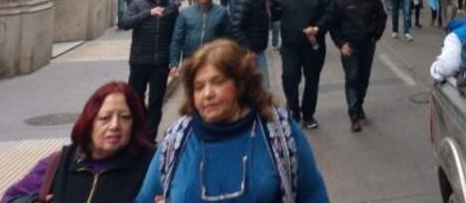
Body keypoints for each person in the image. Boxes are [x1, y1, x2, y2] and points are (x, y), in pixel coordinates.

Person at [136, 39, 329, 202]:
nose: (208, 94)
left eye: (218, 82)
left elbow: (313, 193)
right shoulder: (175, 142)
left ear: (240, 83)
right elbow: (145, 198)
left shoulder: (280, 131)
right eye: (199, 86)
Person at [2, 82, 154, 203]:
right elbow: (9, 198)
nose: (115, 125)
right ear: (89, 123)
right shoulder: (59, 163)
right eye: (105, 118)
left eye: (125, 117)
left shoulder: (152, 165)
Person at [274, 0, 335, 128]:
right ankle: (293, 109)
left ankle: (308, 114)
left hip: (313, 45)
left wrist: (318, 28)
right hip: (290, 45)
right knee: (289, 76)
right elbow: (274, 12)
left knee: (312, 80)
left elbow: (331, 12)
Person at [327, 0, 386, 132]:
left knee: (363, 79)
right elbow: (334, 25)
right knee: (352, 78)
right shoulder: (340, 1)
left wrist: (376, 35)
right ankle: (353, 115)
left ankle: (359, 105)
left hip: (367, 45)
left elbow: (381, 16)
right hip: (349, 47)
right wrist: (341, 44)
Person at [120, 0, 178, 140]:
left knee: (156, 103)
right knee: (135, 101)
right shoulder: (138, 5)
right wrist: (149, 13)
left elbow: (176, 36)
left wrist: (174, 62)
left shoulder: (171, 8)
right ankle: (136, 135)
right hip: (139, 61)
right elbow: (124, 23)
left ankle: (149, 139)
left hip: (160, 63)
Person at [169, 0, 229, 78]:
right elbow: (177, 40)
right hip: (190, 60)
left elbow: (227, 39)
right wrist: (174, 63)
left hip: (212, 60)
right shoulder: (185, 14)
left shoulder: (221, 12)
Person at [230, 0, 274, 88]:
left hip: (258, 49)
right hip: (250, 51)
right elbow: (237, 27)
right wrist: (247, 49)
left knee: (262, 85)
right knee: (256, 86)